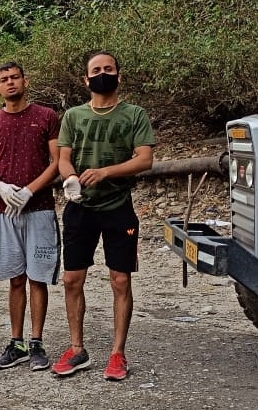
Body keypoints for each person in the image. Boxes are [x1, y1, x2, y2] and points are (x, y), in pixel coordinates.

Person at [51, 50, 155, 381]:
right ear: (86, 79)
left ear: (118, 75)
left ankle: (117, 353)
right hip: (80, 208)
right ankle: (77, 348)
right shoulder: (74, 116)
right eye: (96, 70)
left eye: (108, 69)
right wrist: (70, 178)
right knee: (71, 279)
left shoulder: (134, 115)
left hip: (117, 207)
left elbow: (145, 160)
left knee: (120, 279)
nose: (102, 73)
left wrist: (106, 172)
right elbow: (64, 158)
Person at [0, 61, 61, 372]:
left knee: (38, 278)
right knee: (16, 278)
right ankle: (17, 343)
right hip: (5, 210)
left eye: (15, 77)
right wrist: (0, 187)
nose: (10, 83)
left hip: (39, 208)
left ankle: (36, 341)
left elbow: (56, 161)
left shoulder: (46, 117)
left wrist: (29, 190)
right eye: (4, 79)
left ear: (25, 81)